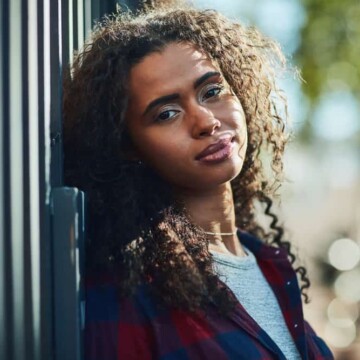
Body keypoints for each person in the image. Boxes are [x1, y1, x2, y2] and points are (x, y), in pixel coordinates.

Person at [63, 1, 333, 359]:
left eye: (212, 91)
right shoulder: (129, 289)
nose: (205, 121)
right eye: (167, 113)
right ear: (129, 146)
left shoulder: (269, 264)